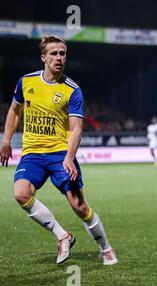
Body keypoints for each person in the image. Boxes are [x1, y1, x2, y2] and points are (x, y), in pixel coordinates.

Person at [0, 35, 118, 265]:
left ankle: (106, 249)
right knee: (21, 193)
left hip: (60, 154)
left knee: (79, 206)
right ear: (43, 57)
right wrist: (6, 141)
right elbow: (15, 111)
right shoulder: (26, 82)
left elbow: (76, 129)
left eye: (63, 54)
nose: (59, 58)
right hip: (32, 153)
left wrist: (70, 158)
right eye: (54, 53)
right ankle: (62, 235)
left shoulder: (72, 90)